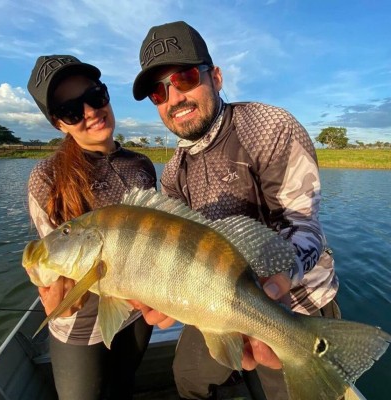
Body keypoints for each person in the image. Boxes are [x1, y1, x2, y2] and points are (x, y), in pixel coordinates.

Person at [131, 21, 340, 400]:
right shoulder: (175, 172)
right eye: (158, 93)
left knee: (288, 390)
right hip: (216, 302)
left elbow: (302, 222)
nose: (173, 98)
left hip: (298, 308)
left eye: (184, 77)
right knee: (189, 376)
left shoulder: (268, 127)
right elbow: (182, 256)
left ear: (217, 77)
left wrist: (276, 280)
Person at [26, 55, 157, 400]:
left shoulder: (141, 164)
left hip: (135, 312)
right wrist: (55, 295)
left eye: (95, 96)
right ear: (59, 124)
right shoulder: (47, 178)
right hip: (80, 326)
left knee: (125, 385)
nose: (90, 111)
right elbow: (53, 263)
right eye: (71, 110)